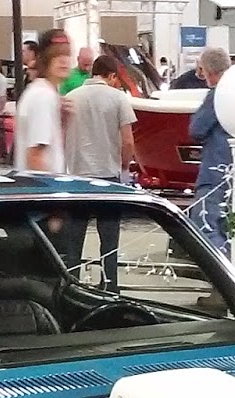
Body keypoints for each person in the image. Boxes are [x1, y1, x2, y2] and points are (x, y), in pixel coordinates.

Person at [63, 54, 137, 288]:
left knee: (74, 240)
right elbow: (128, 142)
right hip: (108, 177)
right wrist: (124, 167)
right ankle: (109, 285)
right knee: (109, 240)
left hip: (76, 177)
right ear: (112, 75)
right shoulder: (119, 98)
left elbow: (61, 135)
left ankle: (72, 284)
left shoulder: (71, 98)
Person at [188, 47, 232, 250]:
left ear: (209, 71)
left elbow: (197, 129)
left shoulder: (217, 94)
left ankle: (221, 265)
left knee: (204, 223)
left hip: (215, 169)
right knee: (230, 226)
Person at [15, 40, 69, 171]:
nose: (63, 61)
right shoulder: (43, 96)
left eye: (67, 54)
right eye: (56, 55)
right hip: (43, 182)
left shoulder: (42, 92)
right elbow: (35, 157)